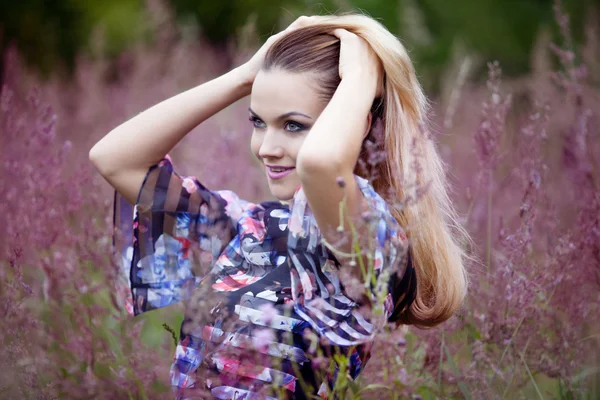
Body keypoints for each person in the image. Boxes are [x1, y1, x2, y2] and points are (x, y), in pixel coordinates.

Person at [90, 13, 470, 400]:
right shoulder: (248, 227)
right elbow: (115, 159)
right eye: (258, 122)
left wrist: (362, 75)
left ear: (359, 124)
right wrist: (243, 76)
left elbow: (321, 165)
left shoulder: (374, 247)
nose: (266, 148)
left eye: (293, 125)